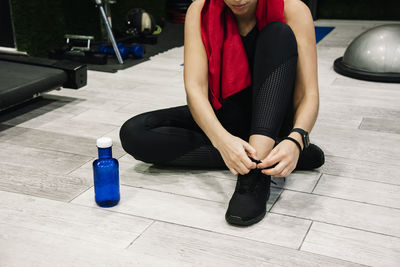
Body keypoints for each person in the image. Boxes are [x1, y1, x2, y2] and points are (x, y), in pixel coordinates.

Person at [119, 0, 325, 226]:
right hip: (227, 115)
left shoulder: (293, 9)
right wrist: (221, 141)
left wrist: (297, 138)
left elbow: (309, 94)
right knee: (135, 133)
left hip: (273, 116)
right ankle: (267, 158)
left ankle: (253, 177)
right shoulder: (200, 10)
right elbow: (195, 89)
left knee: (277, 33)